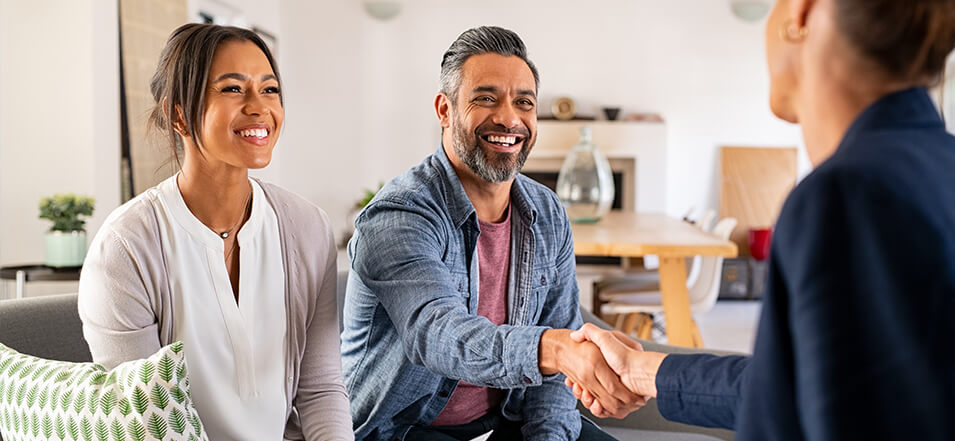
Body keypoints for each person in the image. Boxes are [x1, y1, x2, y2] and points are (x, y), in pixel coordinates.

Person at [568, 0, 955, 439]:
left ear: (803, 12)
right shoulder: (938, 168)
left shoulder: (848, 195)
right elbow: (802, 388)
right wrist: (645, 371)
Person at [341, 26, 641, 441]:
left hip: (504, 422)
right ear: (444, 110)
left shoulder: (547, 212)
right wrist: (554, 349)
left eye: (524, 103)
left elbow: (554, 372)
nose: (508, 118)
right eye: (485, 98)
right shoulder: (399, 215)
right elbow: (439, 334)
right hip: (402, 430)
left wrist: (549, 436)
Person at [77, 23, 353, 441]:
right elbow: (145, 422)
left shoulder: (307, 228)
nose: (260, 107)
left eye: (270, 89)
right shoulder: (126, 248)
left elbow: (320, 391)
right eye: (232, 89)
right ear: (179, 115)